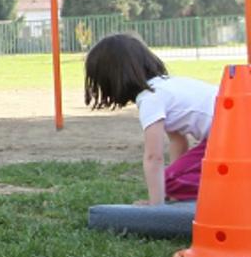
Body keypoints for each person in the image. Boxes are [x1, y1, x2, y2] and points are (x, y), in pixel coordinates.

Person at [84, 33, 217, 204]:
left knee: (169, 181)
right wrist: (171, 185)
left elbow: (154, 157)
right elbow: (179, 142)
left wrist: (156, 205)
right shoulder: (167, 86)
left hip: (235, 135)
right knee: (171, 180)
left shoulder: (150, 99)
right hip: (236, 126)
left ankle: (237, 189)